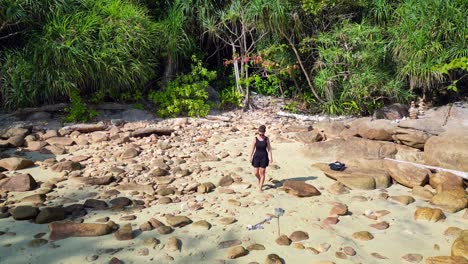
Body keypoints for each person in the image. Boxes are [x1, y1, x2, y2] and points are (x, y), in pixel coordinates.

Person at [250, 125, 273, 192]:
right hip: (256, 156)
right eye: (260, 134)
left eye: (262, 134)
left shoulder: (266, 139)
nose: (261, 135)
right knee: (256, 173)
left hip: (264, 157)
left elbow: (269, 149)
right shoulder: (255, 139)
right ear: (258, 132)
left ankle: (260, 187)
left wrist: (271, 157)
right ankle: (260, 179)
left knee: (262, 172)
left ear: (264, 133)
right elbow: (252, 149)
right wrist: (250, 157)